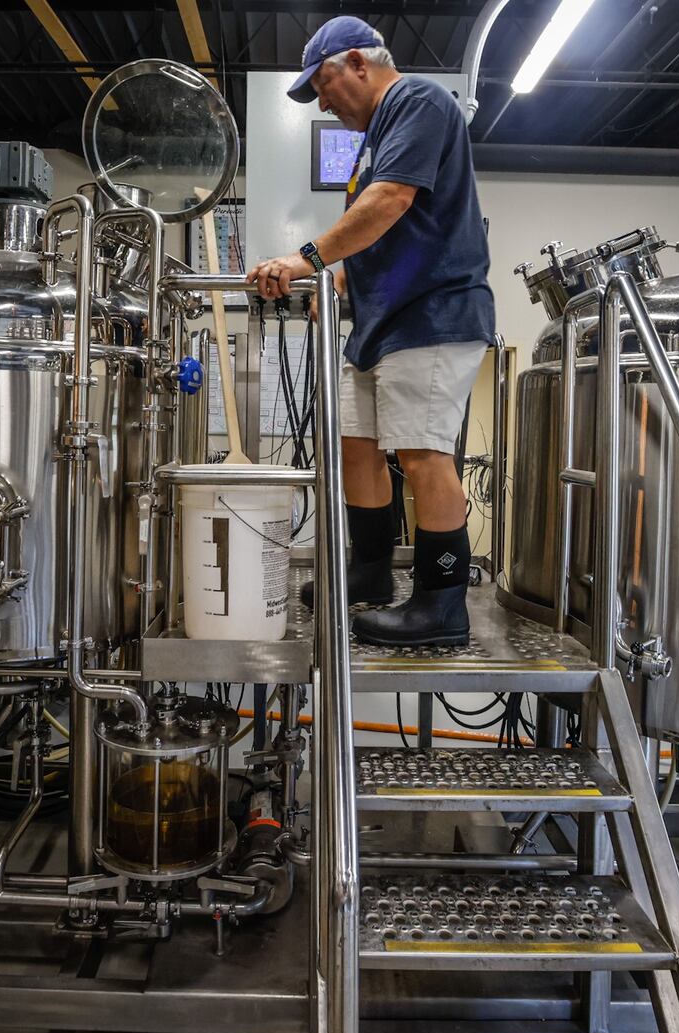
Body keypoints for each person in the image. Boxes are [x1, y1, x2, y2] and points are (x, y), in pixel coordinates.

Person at [247, 16, 495, 648]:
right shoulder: (374, 135)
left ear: (358, 62)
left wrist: (308, 258)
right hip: (381, 320)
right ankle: (369, 574)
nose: (323, 102)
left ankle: (442, 604)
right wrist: (343, 279)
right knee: (354, 444)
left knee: (421, 453)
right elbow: (375, 225)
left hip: (432, 314)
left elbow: (389, 203)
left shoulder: (418, 100)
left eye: (324, 86)